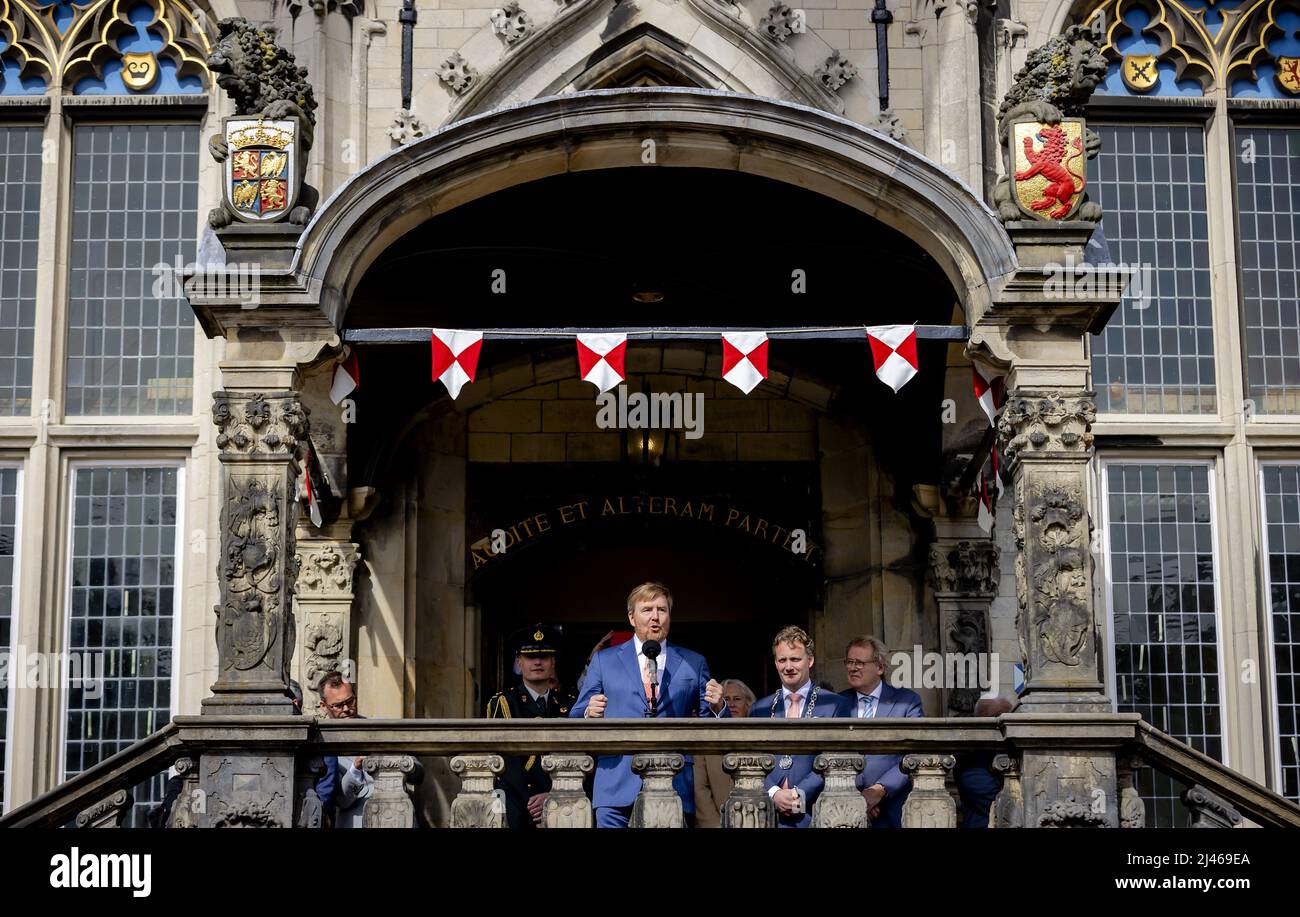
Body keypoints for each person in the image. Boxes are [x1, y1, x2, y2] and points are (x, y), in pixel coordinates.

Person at [570, 581, 728, 828]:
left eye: (662, 610)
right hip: (615, 784)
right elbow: (575, 716)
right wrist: (589, 713)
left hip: (674, 782)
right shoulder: (605, 660)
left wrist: (719, 708)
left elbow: (712, 726)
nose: (655, 617)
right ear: (632, 618)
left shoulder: (693, 662)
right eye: (647, 610)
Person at [750, 626, 852, 828]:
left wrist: (800, 793)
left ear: (810, 661)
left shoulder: (834, 704)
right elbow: (753, 759)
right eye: (782, 660)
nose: (788, 666)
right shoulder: (759, 708)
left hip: (815, 812)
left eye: (795, 659)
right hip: (769, 813)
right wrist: (774, 793)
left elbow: (834, 758)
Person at [486, 624, 578, 828]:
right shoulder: (504, 703)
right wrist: (533, 801)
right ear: (519, 662)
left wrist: (554, 793)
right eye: (530, 657)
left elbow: (577, 755)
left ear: (553, 662)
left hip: (561, 801)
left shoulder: (570, 703)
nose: (537, 662)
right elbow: (505, 759)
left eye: (544, 657)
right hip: (518, 804)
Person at [839, 635, 924, 828]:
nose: (852, 668)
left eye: (860, 663)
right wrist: (858, 795)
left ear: (880, 667)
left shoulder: (906, 702)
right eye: (849, 662)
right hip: (846, 806)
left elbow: (914, 753)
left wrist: (879, 790)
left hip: (893, 807)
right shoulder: (838, 703)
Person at [693, 679, 755, 828]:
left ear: (748, 704)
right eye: (726, 699)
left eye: (737, 699)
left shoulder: (758, 737)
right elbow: (700, 790)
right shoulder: (705, 740)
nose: (731, 704)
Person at [318, 671, 374, 828]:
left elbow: (418, 774)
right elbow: (340, 801)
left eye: (350, 701)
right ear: (323, 706)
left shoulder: (381, 728)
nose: (346, 708)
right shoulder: (321, 742)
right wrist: (355, 770)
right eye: (337, 705)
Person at [955, 695, 1015, 828]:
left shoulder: (1013, 750)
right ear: (980, 719)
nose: (1004, 724)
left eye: (1009, 717)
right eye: (997, 716)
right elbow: (995, 801)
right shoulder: (969, 759)